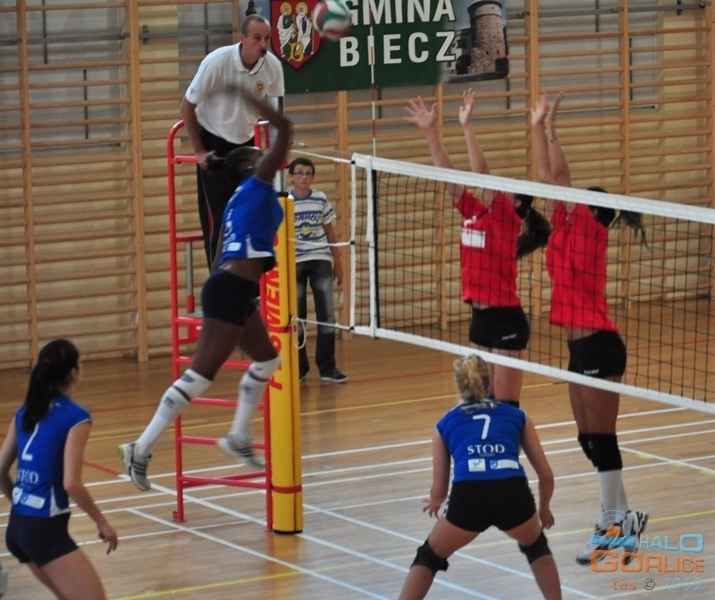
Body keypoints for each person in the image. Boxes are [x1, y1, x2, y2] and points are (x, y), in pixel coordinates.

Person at [119, 88, 292, 491]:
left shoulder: (239, 199)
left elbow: (219, 255)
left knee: (268, 361)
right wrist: (252, 99)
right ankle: (139, 449)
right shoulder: (255, 186)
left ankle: (238, 436)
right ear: (249, 166)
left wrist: (231, 294)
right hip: (231, 288)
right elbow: (285, 130)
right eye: (258, 154)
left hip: (233, 288)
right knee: (200, 376)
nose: (264, 155)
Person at [530, 92, 648, 565]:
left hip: (601, 345)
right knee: (587, 439)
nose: (568, 201)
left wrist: (548, 127)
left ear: (592, 210)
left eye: (578, 201)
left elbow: (557, 177)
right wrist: (538, 128)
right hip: (579, 350)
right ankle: (625, 519)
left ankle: (609, 527)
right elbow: (548, 180)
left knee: (603, 438)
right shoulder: (565, 225)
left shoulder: (591, 230)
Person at [404, 90, 550, 408]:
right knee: (476, 402)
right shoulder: (476, 213)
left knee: (505, 407)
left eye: (505, 189)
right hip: (479, 319)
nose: (497, 190)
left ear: (517, 203)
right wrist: (430, 131)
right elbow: (448, 178)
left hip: (506, 318)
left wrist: (467, 127)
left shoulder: (506, 217)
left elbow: (481, 174)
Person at [398, 355, 561, 600]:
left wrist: (435, 502)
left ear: (457, 384)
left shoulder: (444, 424)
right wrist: (544, 509)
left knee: (428, 557)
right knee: (536, 547)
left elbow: (440, 490)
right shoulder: (518, 416)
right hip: (512, 492)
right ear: (488, 381)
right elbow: (546, 476)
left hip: (469, 496)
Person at [0, 339, 118, 600]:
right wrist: (102, 522)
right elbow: (71, 483)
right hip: (45, 530)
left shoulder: (25, 411)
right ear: (74, 373)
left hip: (18, 527)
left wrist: (22, 506)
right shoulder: (76, 416)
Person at [179, 14, 285, 268]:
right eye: (257, 38)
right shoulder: (217, 62)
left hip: (247, 146)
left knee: (249, 215)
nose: (263, 44)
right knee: (220, 221)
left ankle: (246, 282)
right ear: (242, 39)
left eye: (267, 38)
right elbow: (186, 106)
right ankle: (219, 280)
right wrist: (199, 151)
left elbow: (276, 112)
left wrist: (276, 150)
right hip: (213, 144)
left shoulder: (272, 66)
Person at [288, 157, 348, 384]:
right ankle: (299, 368)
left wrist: (338, 263)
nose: (304, 177)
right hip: (295, 262)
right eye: (299, 173)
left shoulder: (320, 198)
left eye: (308, 173)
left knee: (327, 315)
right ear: (291, 177)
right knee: (298, 316)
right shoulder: (285, 202)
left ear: (312, 178)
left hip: (320, 259)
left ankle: (328, 367)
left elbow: (330, 232)